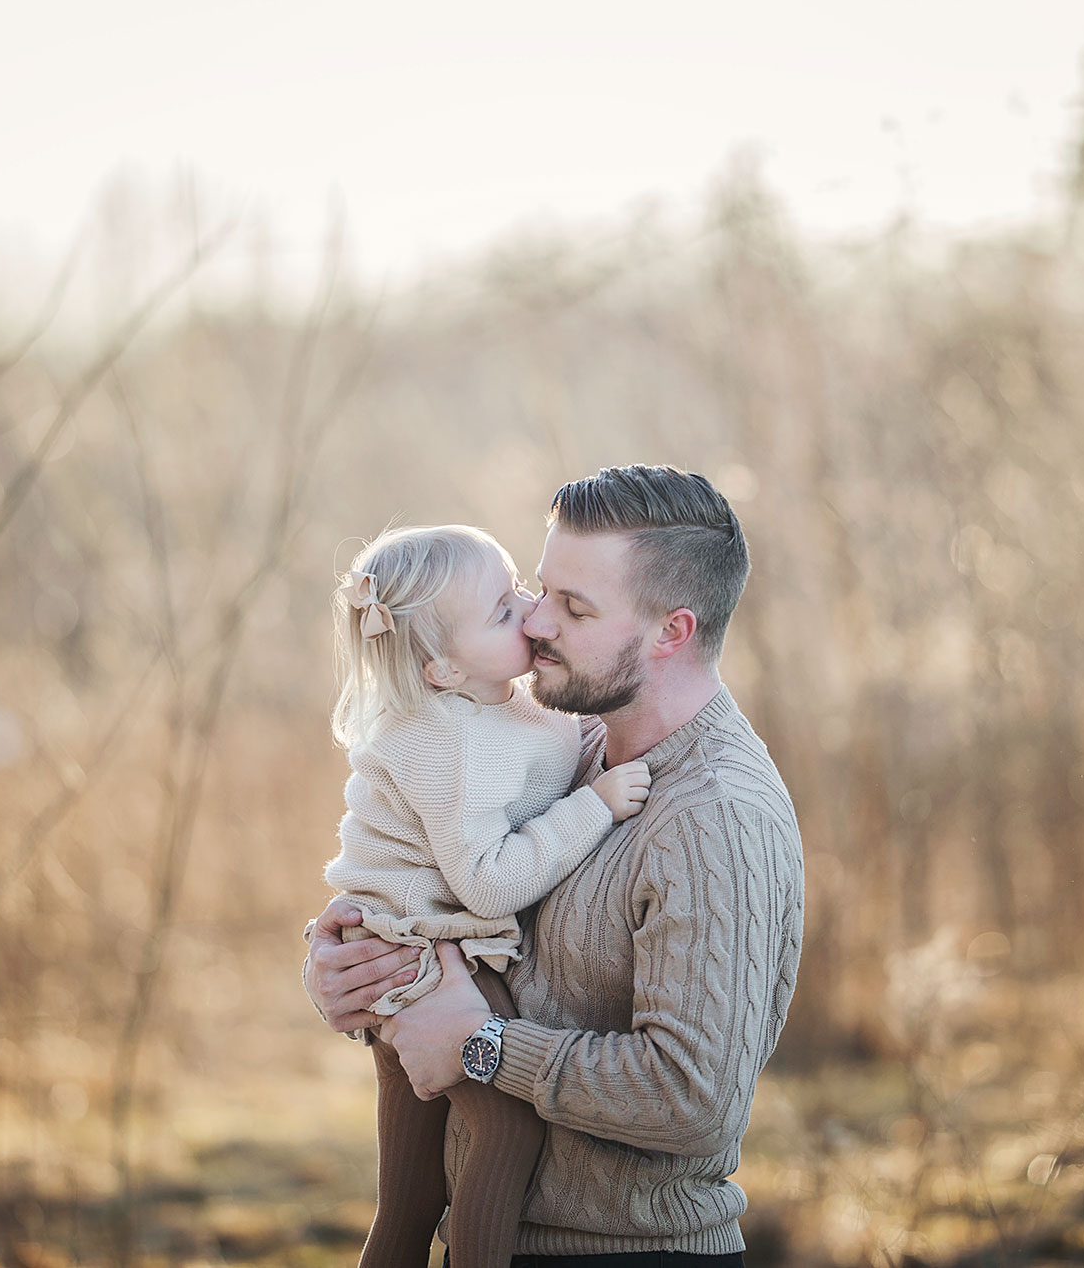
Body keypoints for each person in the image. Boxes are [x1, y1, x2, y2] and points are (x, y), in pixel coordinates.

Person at [305, 464, 805, 1267]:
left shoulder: (716, 816)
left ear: (670, 632)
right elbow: (459, 914)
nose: (536, 622)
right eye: (540, 589)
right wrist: (350, 970)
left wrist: (485, 1046)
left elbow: (695, 1099)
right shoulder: (566, 744)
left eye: (573, 607)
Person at [322, 523, 655, 1268]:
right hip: (412, 955)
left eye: (522, 589)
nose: (533, 612)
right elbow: (489, 879)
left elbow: (551, 744)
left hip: (416, 940)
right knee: (506, 1126)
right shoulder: (448, 742)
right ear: (441, 669)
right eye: (505, 610)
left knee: (410, 1188)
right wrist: (594, 805)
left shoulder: (500, 702)